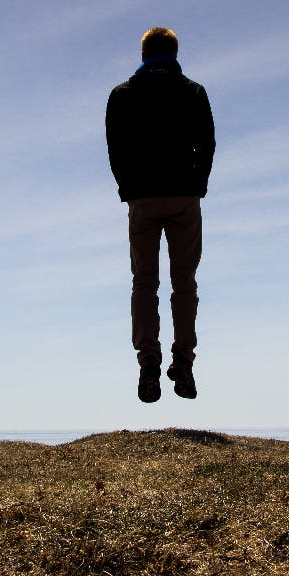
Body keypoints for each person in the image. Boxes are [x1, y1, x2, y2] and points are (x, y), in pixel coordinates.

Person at [106, 27, 216, 403]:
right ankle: (183, 360)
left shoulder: (122, 95)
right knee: (184, 283)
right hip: (184, 197)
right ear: (174, 52)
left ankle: (148, 361)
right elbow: (208, 142)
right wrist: (197, 184)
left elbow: (115, 148)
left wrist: (129, 190)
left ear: (143, 54)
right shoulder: (193, 92)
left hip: (143, 200)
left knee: (144, 283)